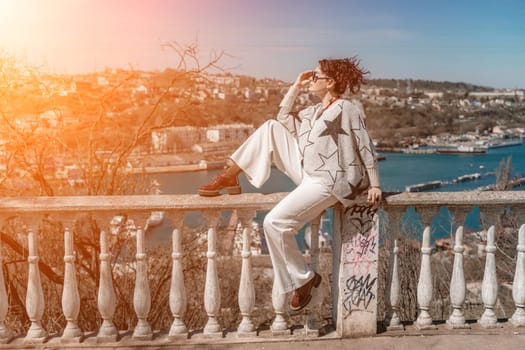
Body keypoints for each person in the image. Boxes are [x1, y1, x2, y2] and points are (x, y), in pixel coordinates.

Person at [198, 57, 382, 312]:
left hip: (328, 181)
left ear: (330, 83)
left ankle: (304, 280)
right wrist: (295, 86)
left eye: (315, 77)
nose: (311, 80)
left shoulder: (348, 109)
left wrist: (375, 184)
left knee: (273, 223)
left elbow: (365, 145)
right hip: (308, 171)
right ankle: (232, 172)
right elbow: (282, 116)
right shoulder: (313, 112)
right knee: (271, 127)